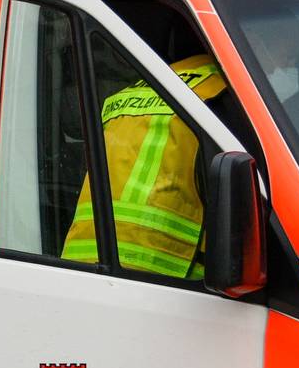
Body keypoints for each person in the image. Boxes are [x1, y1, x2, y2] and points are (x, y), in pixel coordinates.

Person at [61, 53, 234, 277]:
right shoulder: (221, 97)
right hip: (165, 278)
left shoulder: (133, 91)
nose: (289, 59)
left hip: (79, 266)